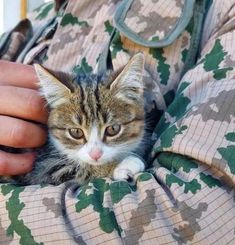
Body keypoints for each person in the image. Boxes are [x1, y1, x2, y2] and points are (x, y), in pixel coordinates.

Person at [0, 0, 234, 244]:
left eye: (111, 130)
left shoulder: (219, 9)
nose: (95, 152)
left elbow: (193, 219)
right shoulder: (34, 25)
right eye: (76, 134)